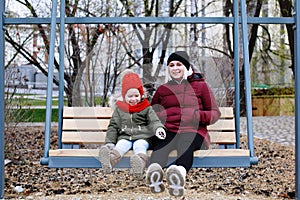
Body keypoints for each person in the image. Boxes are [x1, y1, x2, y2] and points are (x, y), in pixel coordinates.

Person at [146, 51, 221, 197]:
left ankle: (178, 175)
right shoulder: (162, 90)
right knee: (161, 143)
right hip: (170, 129)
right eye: (171, 65)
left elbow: (215, 113)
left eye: (179, 64)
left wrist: (195, 116)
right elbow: (152, 114)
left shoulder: (201, 86)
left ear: (186, 67)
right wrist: (165, 116)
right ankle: (155, 175)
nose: (175, 68)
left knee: (185, 144)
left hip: (194, 130)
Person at [98, 71, 166, 180]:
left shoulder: (146, 108)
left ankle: (139, 166)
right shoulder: (120, 109)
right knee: (120, 146)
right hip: (125, 136)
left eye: (136, 95)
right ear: (124, 96)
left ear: (141, 95)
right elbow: (113, 126)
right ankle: (109, 161)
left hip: (143, 137)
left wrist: (158, 128)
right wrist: (110, 143)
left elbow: (154, 121)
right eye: (130, 96)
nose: (133, 99)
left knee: (139, 147)